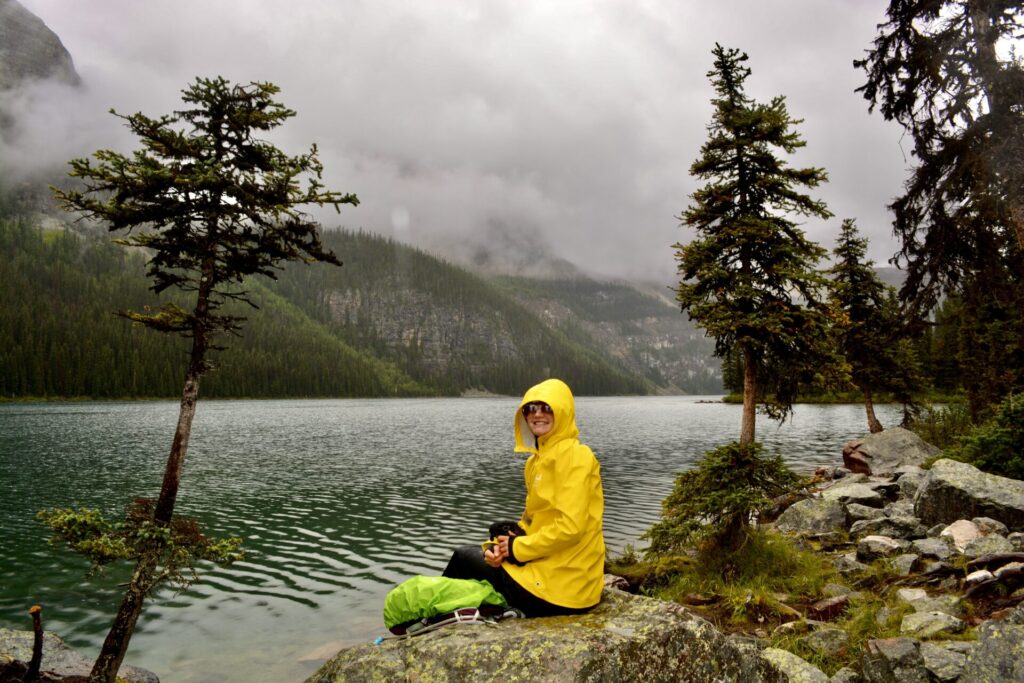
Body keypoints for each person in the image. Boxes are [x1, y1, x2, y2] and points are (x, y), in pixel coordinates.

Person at [442, 378, 605, 617]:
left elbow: (572, 527)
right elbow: (532, 521)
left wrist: (517, 549)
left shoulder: (575, 456)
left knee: (463, 558)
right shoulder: (535, 461)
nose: (537, 414)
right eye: (530, 408)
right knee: (488, 545)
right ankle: (458, 616)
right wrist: (498, 548)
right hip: (552, 574)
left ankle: (430, 624)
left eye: (546, 407)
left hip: (566, 589)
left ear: (563, 411)